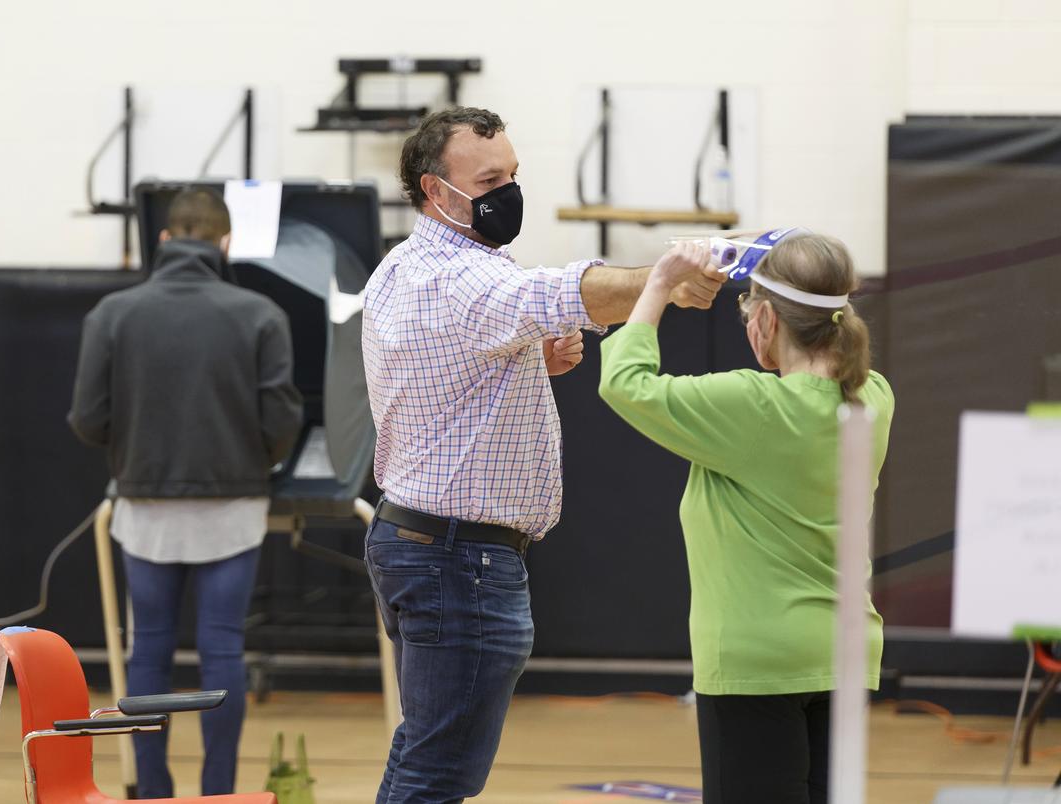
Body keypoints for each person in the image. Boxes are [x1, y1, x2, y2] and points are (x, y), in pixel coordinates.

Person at [360, 106, 727, 803]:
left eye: (514, 175)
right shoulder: (458, 279)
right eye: (491, 178)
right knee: (438, 769)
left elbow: (446, 374)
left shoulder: (409, 267)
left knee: (426, 749)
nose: (509, 191)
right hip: (456, 558)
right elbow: (560, 292)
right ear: (437, 192)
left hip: (425, 542)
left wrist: (531, 358)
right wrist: (663, 281)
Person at [598, 234, 894, 804]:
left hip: (756, 663)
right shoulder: (874, 398)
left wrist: (659, 282)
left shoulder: (754, 407)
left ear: (764, 320)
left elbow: (624, 383)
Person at [68, 188, 303, 797]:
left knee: (149, 648)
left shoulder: (113, 314)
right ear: (225, 244)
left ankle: (152, 792)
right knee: (222, 647)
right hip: (235, 505)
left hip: (144, 504)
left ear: (165, 241)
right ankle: (219, 793)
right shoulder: (260, 315)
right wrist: (256, 461)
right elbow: (281, 421)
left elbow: (88, 419)